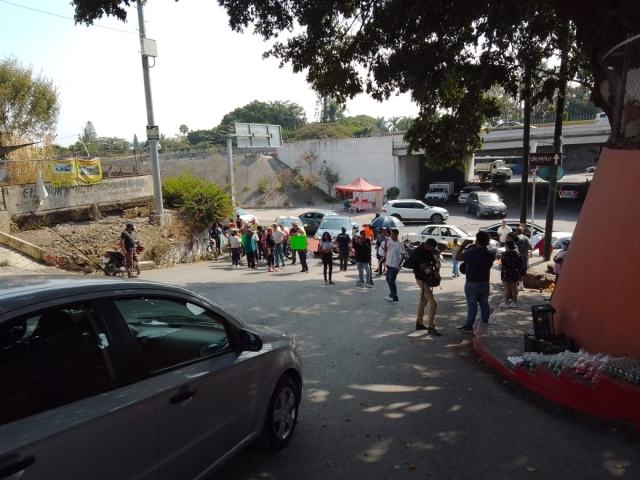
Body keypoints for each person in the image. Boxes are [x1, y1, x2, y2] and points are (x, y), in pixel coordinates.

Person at [455, 231, 496, 332]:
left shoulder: (472, 252)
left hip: (472, 282)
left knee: (472, 305)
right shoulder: (491, 252)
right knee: (484, 303)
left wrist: (463, 245)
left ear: (477, 240)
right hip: (485, 281)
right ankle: (485, 321)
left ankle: (469, 325)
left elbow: (457, 257)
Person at [408, 238, 441, 335]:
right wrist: (418, 266)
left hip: (428, 278)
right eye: (430, 249)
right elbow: (407, 263)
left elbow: (433, 258)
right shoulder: (417, 252)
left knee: (423, 301)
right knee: (433, 302)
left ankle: (419, 323)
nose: (431, 251)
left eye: (432, 250)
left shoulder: (429, 251)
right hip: (421, 279)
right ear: (426, 246)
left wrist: (436, 268)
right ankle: (431, 327)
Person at [384, 228, 404, 302]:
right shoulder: (389, 240)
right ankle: (391, 293)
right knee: (387, 279)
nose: (391, 236)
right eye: (391, 234)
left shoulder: (399, 244)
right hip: (389, 263)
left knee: (391, 280)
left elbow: (403, 255)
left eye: (393, 234)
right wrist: (386, 243)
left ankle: (395, 296)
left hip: (395, 265)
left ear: (397, 235)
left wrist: (399, 265)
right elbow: (385, 250)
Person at [500, 240, 521, 308]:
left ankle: (506, 302)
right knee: (514, 287)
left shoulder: (504, 254)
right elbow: (520, 264)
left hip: (506, 273)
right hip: (515, 272)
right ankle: (514, 302)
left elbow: (503, 264)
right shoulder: (517, 254)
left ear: (507, 246)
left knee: (507, 288)